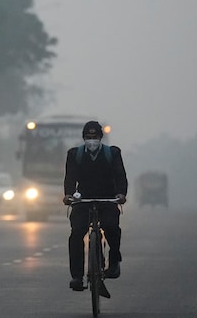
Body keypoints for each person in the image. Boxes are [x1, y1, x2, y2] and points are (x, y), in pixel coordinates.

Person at [62, 121, 128, 291]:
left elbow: (120, 175)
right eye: (88, 137)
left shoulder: (112, 153)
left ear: (101, 138)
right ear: (84, 138)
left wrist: (121, 194)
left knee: (111, 228)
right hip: (83, 199)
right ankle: (77, 276)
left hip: (107, 199)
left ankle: (114, 263)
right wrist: (68, 194)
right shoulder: (74, 154)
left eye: (95, 137)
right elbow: (70, 178)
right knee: (76, 233)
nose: (92, 140)